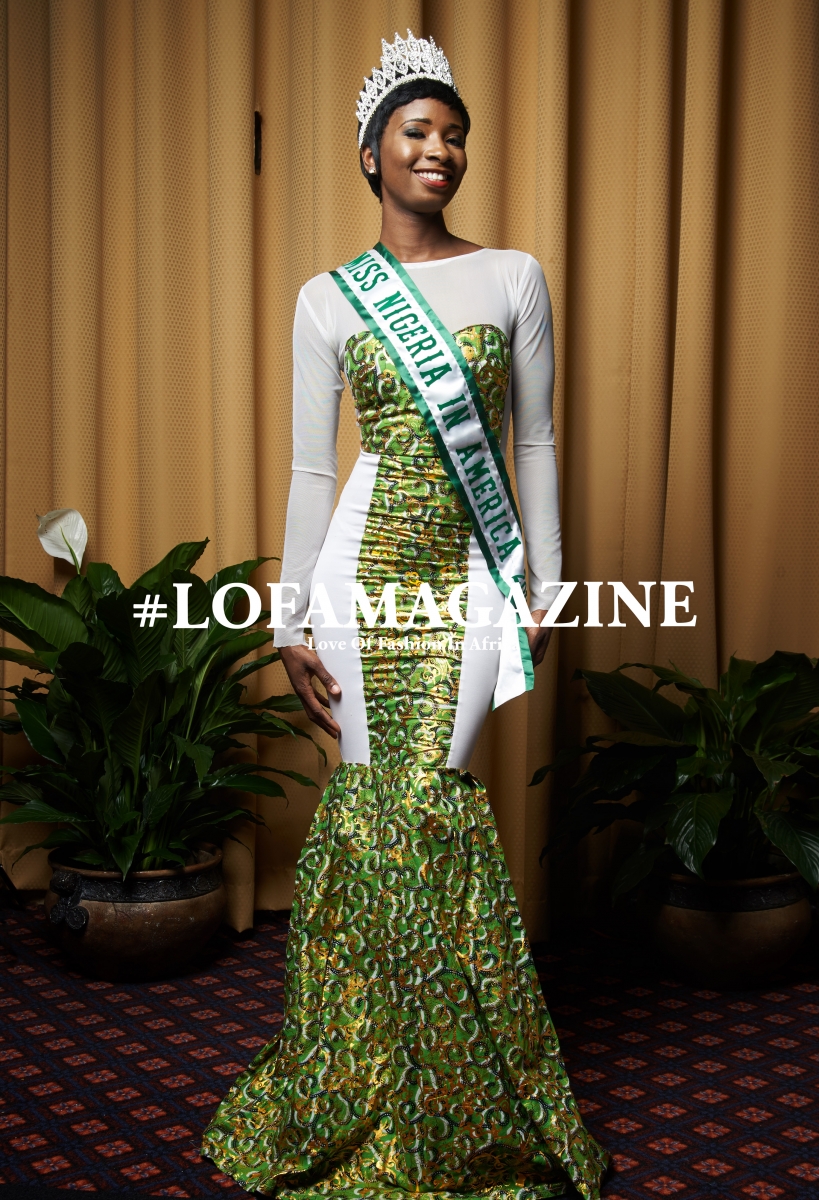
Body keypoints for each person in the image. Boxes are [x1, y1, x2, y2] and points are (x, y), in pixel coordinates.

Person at [202, 31, 610, 1200]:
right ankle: (363, 1084)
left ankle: (464, 1100)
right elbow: (311, 472)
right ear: (372, 153)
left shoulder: (513, 277)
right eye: (418, 131)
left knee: (423, 807)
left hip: (471, 574)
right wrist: (290, 621)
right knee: (378, 819)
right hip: (358, 576)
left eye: (455, 134)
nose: (441, 149)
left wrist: (547, 581)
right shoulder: (326, 299)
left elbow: (534, 442)